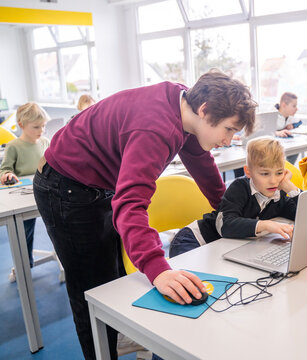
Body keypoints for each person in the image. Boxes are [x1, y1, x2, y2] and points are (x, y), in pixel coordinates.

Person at [33, 70, 257, 360]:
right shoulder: (156, 129)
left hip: (97, 184)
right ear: (205, 111)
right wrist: (158, 268)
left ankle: (112, 342)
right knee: (92, 290)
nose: (229, 140)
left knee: (112, 280)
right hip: (65, 186)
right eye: (228, 129)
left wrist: (230, 212)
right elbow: (130, 205)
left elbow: (200, 160)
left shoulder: (185, 105)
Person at [170, 137, 299, 258]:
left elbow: (306, 215)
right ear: (248, 172)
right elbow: (226, 226)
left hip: (224, 248)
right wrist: (265, 225)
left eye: (279, 173)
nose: (273, 181)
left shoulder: (278, 194)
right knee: (191, 278)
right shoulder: (239, 187)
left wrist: (291, 188)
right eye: (265, 174)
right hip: (194, 240)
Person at [1, 102, 49, 269]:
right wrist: (7, 175)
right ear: (21, 125)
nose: (41, 131)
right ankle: (24, 264)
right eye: (36, 127)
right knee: (24, 231)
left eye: (43, 126)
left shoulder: (45, 142)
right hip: (23, 194)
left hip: (45, 191)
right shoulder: (13, 146)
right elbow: (5, 169)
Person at [274, 92, 302, 165]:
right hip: (272, 145)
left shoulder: (290, 116)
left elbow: (300, 122)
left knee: (295, 148)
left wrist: (293, 125)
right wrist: (277, 133)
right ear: (284, 105)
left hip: (284, 142)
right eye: (294, 106)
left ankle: (288, 168)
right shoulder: (272, 115)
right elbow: (263, 131)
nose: (296, 109)